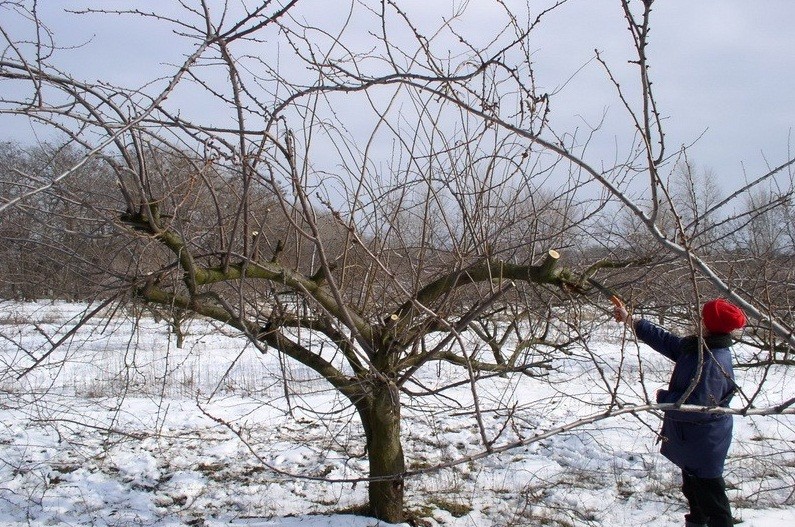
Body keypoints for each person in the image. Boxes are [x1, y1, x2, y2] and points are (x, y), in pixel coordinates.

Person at [613, 298, 746, 527]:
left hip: (704, 444)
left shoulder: (713, 362)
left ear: (709, 324)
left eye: (703, 316)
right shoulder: (702, 348)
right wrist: (631, 320)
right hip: (694, 442)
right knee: (694, 493)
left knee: (713, 502)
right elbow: (668, 342)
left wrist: (664, 399)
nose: (699, 319)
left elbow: (697, 409)